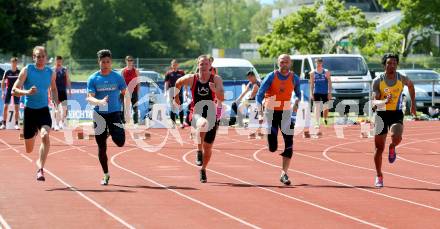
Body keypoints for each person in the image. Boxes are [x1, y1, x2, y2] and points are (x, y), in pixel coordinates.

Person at [175, 55, 224, 183]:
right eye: (201, 64)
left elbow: (222, 97)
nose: (203, 66)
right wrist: (176, 97)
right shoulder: (192, 79)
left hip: (212, 114)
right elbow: (177, 83)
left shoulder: (216, 79)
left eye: (206, 64)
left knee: (208, 148)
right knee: (203, 123)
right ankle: (198, 150)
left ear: (210, 66)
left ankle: (203, 169)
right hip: (196, 112)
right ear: (198, 65)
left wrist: (215, 91)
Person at [12, 46, 59, 181]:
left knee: (45, 136)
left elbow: (54, 89)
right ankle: (32, 134)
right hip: (29, 111)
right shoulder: (27, 70)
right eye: (38, 56)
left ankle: (40, 169)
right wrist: (27, 92)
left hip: (43, 110)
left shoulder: (50, 72)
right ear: (34, 57)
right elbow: (14, 90)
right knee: (29, 149)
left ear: (46, 58)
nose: (40, 58)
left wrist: (56, 103)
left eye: (43, 56)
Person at [372, 53, 416, 188]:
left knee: (396, 137)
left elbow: (411, 85)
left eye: (394, 63)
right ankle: (379, 175)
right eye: (389, 63)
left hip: (396, 113)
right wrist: (385, 100)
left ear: (397, 65)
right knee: (379, 149)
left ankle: (392, 147)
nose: (391, 66)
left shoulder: (401, 78)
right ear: (384, 64)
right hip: (381, 114)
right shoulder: (378, 81)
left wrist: (413, 104)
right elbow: (374, 103)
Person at [256, 54, 301, 185]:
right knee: (273, 147)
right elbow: (259, 96)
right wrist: (260, 113)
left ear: (290, 64)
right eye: (282, 62)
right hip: (271, 112)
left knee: (289, 143)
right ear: (278, 63)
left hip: (286, 112)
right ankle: (270, 139)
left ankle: (284, 173)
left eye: (286, 62)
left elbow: (298, 94)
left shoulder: (294, 78)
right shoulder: (271, 77)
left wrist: (297, 101)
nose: (284, 64)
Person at [87, 49, 127, 185]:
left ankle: (110, 132)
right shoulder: (93, 78)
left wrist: (123, 109)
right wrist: (100, 102)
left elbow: (125, 93)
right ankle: (105, 174)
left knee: (120, 142)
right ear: (99, 62)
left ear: (111, 62)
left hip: (114, 114)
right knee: (101, 147)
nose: (105, 64)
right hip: (99, 115)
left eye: (108, 62)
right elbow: (89, 98)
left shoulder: (117, 77)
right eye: (103, 62)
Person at [309, 57, 332, 134]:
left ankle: (325, 119)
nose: (318, 64)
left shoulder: (326, 72)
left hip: (325, 92)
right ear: (315, 63)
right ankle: (317, 123)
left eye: (319, 62)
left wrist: (329, 92)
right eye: (317, 63)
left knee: (326, 107)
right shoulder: (312, 73)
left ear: (322, 63)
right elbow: (312, 84)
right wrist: (311, 93)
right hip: (317, 92)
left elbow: (329, 82)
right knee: (317, 107)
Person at [164, 59, 185, 128]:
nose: (174, 66)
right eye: (173, 65)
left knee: (180, 107)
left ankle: (182, 123)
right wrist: (165, 92)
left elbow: (184, 82)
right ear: (171, 65)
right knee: (172, 108)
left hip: (179, 92)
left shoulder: (181, 73)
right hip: (171, 92)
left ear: (178, 65)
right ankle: (173, 124)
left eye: (176, 64)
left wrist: (186, 91)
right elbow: (166, 83)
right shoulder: (168, 73)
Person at [1, 57, 21, 130]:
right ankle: (4, 124)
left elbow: (22, 81)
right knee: (5, 107)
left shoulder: (19, 72)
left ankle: (16, 124)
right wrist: (3, 92)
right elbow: (3, 81)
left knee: (16, 107)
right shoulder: (7, 71)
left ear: (17, 63)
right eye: (13, 63)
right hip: (8, 90)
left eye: (15, 63)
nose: (14, 64)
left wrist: (20, 90)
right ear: (11, 63)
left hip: (16, 90)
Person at [52, 56, 71, 130]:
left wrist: (69, 90)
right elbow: (50, 81)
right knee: (57, 109)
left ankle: (61, 123)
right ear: (55, 61)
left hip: (63, 91)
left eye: (60, 60)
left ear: (61, 61)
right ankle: (56, 124)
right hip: (55, 92)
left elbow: (68, 80)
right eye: (57, 60)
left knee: (64, 109)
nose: (59, 62)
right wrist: (49, 92)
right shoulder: (52, 70)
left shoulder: (64, 70)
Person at [120, 55, 140, 125]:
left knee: (135, 107)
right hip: (125, 91)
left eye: (131, 60)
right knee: (124, 107)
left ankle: (136, 122)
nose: (130, 62)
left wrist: (138, 90)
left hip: (134, 91)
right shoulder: (123, 71)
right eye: (128, 60)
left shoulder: (136, 70)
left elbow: (138, 81)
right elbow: (121, 82)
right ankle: (123, 122)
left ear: (133, 61)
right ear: (126, 61)